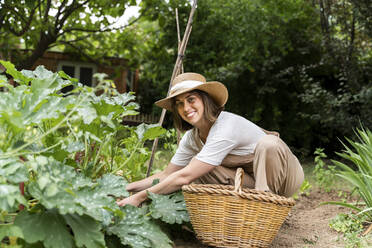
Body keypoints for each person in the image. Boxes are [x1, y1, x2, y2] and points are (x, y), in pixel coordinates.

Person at [117, 72, 304, 207]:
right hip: (251, 182)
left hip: (285, 176)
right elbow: (167, 175)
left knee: (268, 144)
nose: (186, 108)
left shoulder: (225, 126)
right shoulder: (191, 138)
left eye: (191, 99)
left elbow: (184, 177)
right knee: (199, 166)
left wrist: (139, 198)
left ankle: (265, 210)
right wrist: (127, 188)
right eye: (179, 104)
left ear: (205, 100)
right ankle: (250, 208)